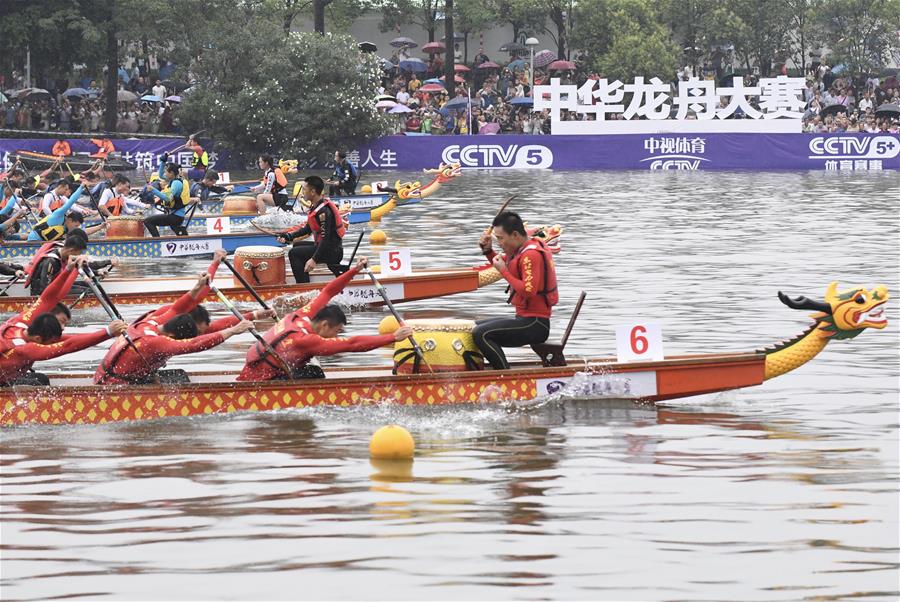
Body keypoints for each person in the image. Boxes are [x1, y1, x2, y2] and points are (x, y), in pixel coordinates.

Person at [94, 252, 270, 384]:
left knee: (178, 376)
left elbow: (189, 304)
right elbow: (195, 344)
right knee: (177, 383)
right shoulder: (158, 342)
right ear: (174, 337)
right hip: (113, 385)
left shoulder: (155, 321)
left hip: (114, 375)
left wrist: (254, 315)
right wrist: (232, 331)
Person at [237, 257, 412, 381]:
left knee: (311, 365)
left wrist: (355, 270)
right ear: (325, 324)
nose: (335, 336)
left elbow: (329, 291)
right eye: (336, 332)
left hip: (253, 369)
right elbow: (352, 344)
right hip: (260, 379)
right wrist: (393, 337)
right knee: (315, 374)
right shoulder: (307, 340)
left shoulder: (301, 314)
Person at [1, 255, 126, 386]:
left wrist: (69, 270)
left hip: (11, 375)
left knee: (41, 379)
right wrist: (108, 332)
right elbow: (68, 345)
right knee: (38, 383)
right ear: (38, 339)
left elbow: (49, 298)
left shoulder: (19, 322)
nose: (63, 329)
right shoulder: (23, 349)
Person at [474, 211, 558, 369]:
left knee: (481, 334)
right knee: (472, 326)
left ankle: (504, 376)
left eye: (500, 238)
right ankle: (480, 369)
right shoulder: (520, 251)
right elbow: (502, 263)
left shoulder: (531, 254)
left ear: (515, 235)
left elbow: (528, 291)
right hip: (525, 319)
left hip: (535, 324)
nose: (499, 243)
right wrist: (488, 251)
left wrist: (503, 271)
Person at [277, 175, 345, 283]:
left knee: (294, 253)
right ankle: (304, 278)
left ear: (312, 192)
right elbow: (307, 229)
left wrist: (314, 259)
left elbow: (325, 238)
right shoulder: (316, 206)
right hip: (326, 248)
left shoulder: (324, 211)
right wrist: (288, 236)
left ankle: (303, 287)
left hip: (332, 251)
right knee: (296, 246)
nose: (302, 192)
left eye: (304, 189)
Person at [26, 229, 117, 296]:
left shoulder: (64, 252)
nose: (79, 256)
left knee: (89, 285)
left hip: (56, 285)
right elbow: (44, 289)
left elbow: (80, 266)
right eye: (79, 253)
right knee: (89, 291)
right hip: (41, 293)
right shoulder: (50, 261)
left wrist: (97, 272)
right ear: (71, 250)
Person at [30, 181, 107, 242]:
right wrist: (81, 187)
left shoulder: (67, 226)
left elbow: (83, 232)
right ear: (70, 220)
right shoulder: (58, 215)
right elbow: (70, 202)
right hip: (34, 240)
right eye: (76, 225)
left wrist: (100, 227)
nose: (76, 228)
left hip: (45, 241)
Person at [142, 160, 190, 237]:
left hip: (176, 217)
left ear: (171, 173)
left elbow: (167, 198)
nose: (164, 174)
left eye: (166, 172)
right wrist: (163, 161)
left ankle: (157, 242)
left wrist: (153, 189)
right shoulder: (174, 179)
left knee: (148, 221)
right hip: (175, 215)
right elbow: (160, 175)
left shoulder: (176, 183)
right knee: (179, 233)